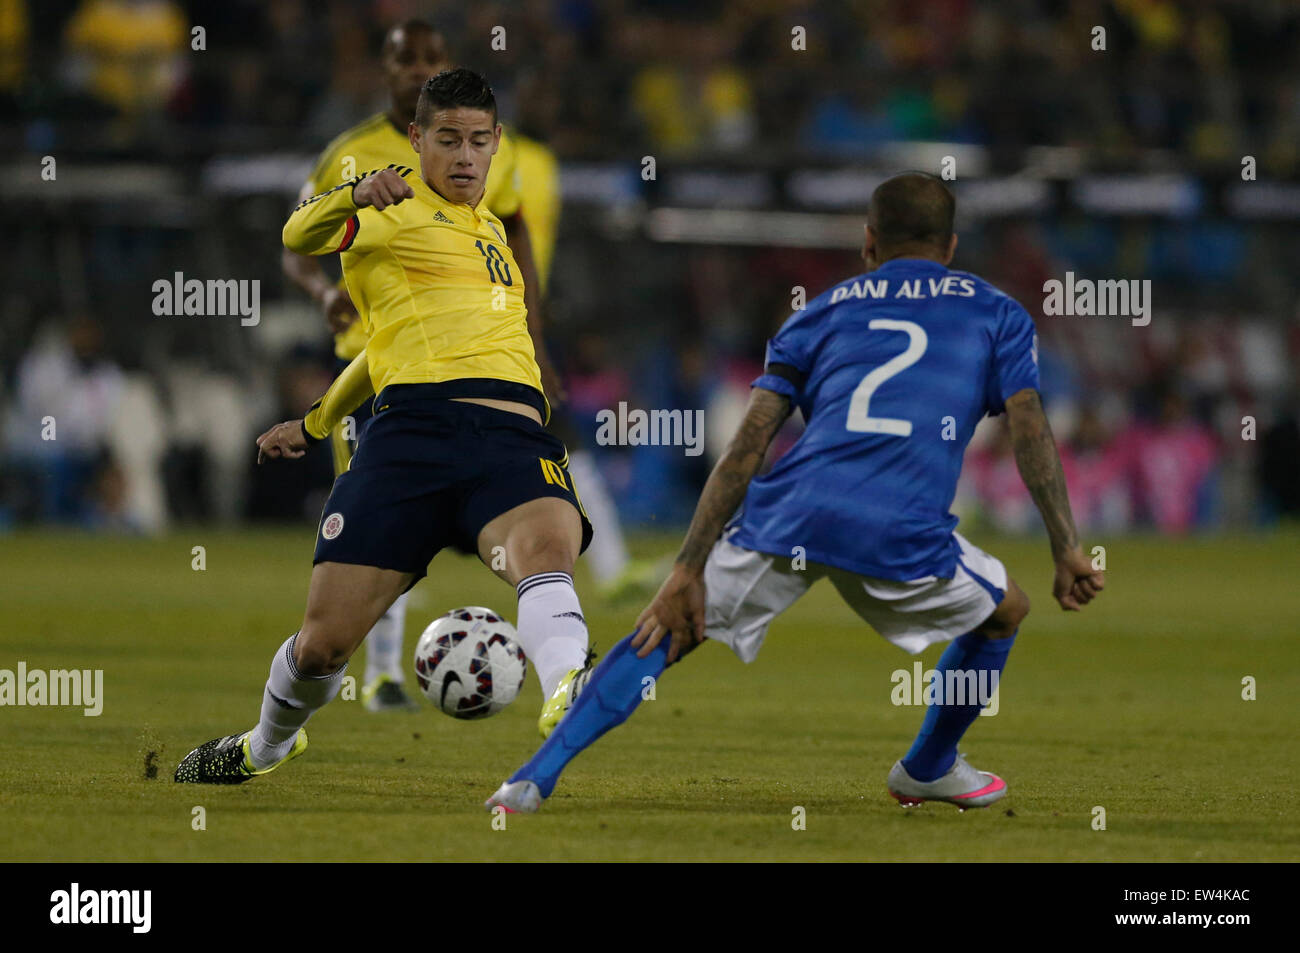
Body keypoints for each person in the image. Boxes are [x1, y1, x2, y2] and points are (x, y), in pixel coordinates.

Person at [486, 172, 1104, 813]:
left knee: (663, 629)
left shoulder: (819, 312)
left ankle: (530, 779)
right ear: (950, 246)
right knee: (1006, 610)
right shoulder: (996, 312)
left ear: (869, 243)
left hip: (790, 512)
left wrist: (687, 566)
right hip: (899, 529)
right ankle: (927, 766)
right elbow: (1030, 429)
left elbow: (749, 443)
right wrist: (1067, 546)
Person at [175, 68, 593, 784]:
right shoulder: (389, 207)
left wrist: (313, 422)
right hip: (409, 441)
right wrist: (353, 192)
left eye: (480, 142)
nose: (466, 157)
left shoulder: (491, 229)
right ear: (417, 139)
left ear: (496, 147)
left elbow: (383, 346)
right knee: (321, 648)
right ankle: (266, 745)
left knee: (546, 546)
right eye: (449, 140)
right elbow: (297, 234)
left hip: (510, 437)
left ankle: (569, 690)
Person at [281, 18, 558, 712]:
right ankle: (372, 673)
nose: (416, 70)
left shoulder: (485, 210)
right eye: (407, 59)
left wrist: (530, 337)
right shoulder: (354, 158)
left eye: (430, 59)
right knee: (378, 542)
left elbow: (514, 224)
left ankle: (563, 673)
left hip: (459, 370)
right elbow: (296, 236)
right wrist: (324, 289)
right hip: (380, 367)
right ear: (387, 70)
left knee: (509, 534)